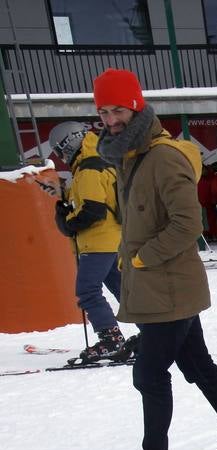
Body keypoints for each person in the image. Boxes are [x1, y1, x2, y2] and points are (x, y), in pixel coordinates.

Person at [92, 68, 217, 450]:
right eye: (103, 111)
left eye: (118, 110)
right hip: (157, 287)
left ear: (135, 107)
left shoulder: (161, 157)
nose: (110, 119)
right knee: (198, 366)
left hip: (167, 288)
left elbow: (189, 224)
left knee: (149, 373)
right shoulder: (130, 159)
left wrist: (142, 257)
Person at [48, 119, 129, 363]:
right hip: (112, 239)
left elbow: (93, 210)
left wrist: (69, 223)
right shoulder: (100, 163)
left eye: (61, 150)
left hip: (97, 242)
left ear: (71, 142)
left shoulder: (88, 169)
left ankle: (111, 340)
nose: (62, 156)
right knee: (123, 289)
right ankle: (153, 332)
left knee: (87, 290)